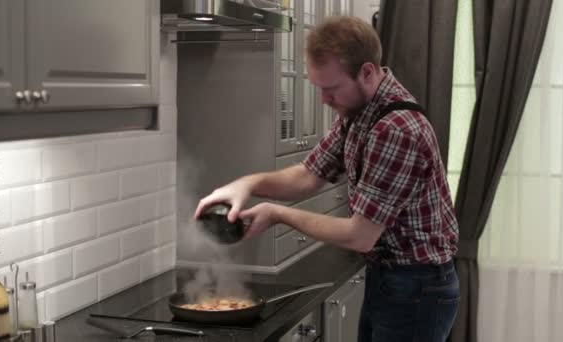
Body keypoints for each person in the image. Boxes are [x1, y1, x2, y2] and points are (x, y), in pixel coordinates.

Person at [195, 16, 459, 342]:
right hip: (393, 279)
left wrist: (277, 214)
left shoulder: (395, 128)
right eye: (319, 88)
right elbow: (308, 175)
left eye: (331, 89)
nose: (323, 100)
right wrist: (246, 184)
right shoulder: (359, 112)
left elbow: (360, 235)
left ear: (366, 72)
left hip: (417, 287)